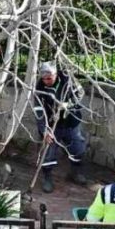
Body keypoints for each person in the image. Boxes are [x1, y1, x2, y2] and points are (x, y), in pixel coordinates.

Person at [32, 62, 87, 193]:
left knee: (77, 148)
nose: (47, 81)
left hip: (71, 122)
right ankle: (47, 177)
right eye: (44, 78)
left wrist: (68, 104)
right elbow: (39, 111)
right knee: (48, 152)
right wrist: (44, 130)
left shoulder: (68, 80)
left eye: (49, 78)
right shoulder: (39, 89)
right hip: (52, 126)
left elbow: (80, 93)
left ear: (55, 75)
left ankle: (75, 172)